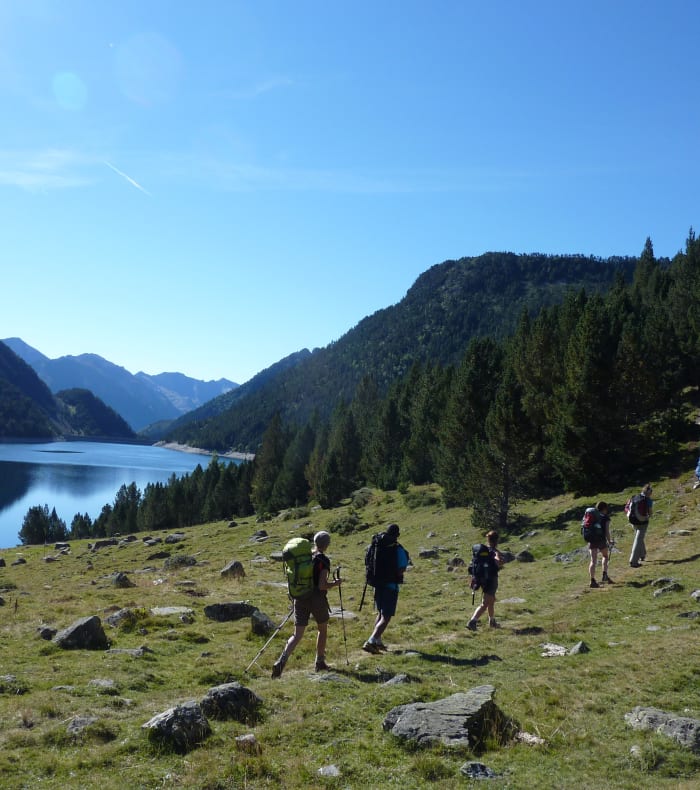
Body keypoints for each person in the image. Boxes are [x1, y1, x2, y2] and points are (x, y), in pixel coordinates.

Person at [271, 531, 342, 677]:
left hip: (300, 597)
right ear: (327, 544)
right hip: (316, 599)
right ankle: (320, 662)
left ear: (314, 542)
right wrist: (335, 584)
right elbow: (322, 585)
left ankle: (281, 661)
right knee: (322, 629)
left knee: (297, 635)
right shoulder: (323, 560)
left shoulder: (305, 557)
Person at [362, 523, 410, 653]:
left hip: (377, 584)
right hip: (390, 585)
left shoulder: (377, 544)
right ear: (397, 535)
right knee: (386, 616)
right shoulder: (397, 548)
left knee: (380, 612)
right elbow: (401, 570)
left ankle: (378, 641)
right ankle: (371, 641)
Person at [466, 530, 505, 630]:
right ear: (497, 540)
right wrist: (499, 559)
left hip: (481, 578)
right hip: (491, 578)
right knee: (486, 602)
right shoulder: (494, 552)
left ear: (488, 539)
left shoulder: (482, 551)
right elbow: (499, 562)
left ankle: (492, 621)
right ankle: (472, 621)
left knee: (491, 600)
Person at [586, 501, 612, 587]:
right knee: (605, 556)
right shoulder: (606, 518)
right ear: (604, 509)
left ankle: (592, 580)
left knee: (593, 560)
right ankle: (604, 575)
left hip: (592, 540)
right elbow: (607, 531)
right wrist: (609, 541)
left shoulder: (593, 516)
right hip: (601, 540)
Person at [629, 484, 653, 568]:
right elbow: (650, 513)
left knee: (639, 537)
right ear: (649, 492)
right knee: (638, 539)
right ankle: (633, 561)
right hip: (643, 521)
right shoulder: (648, 500)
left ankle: (642, 555)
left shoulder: (635, 497)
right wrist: (648, 516)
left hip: (633, 520)